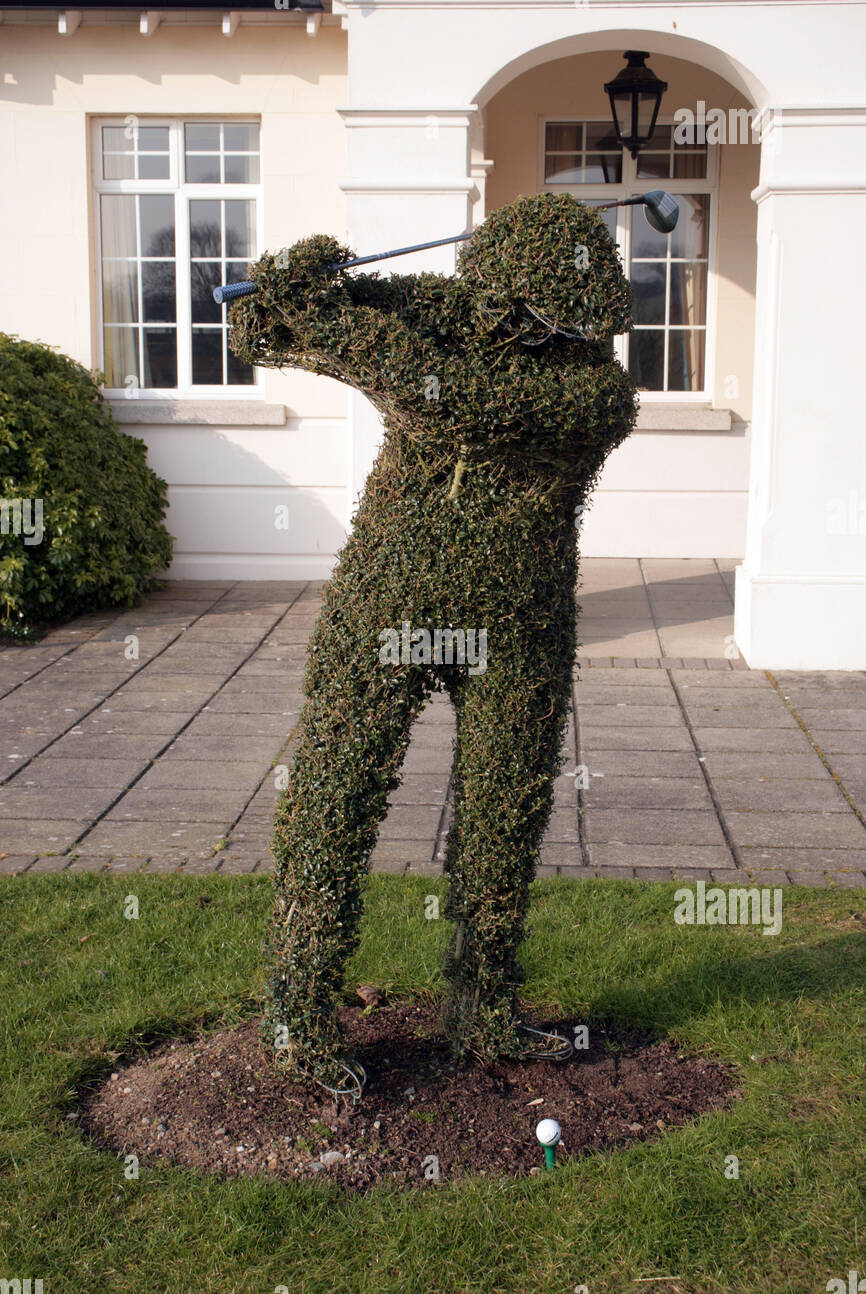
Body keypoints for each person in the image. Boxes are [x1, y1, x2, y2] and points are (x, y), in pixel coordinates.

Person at [229, 192, 637, 1093]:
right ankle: (299, 1014)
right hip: (389, 606)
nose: (537, 331)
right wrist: (287, 288)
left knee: (504, 817)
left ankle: (485, 1013)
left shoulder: (596, 393)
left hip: (519, 629)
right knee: (336, 794)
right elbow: (255, 335)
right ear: (491, 291)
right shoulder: (440, 313)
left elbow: (453, 400)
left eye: (557, 321)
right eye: (523, 313)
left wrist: (339, 324)